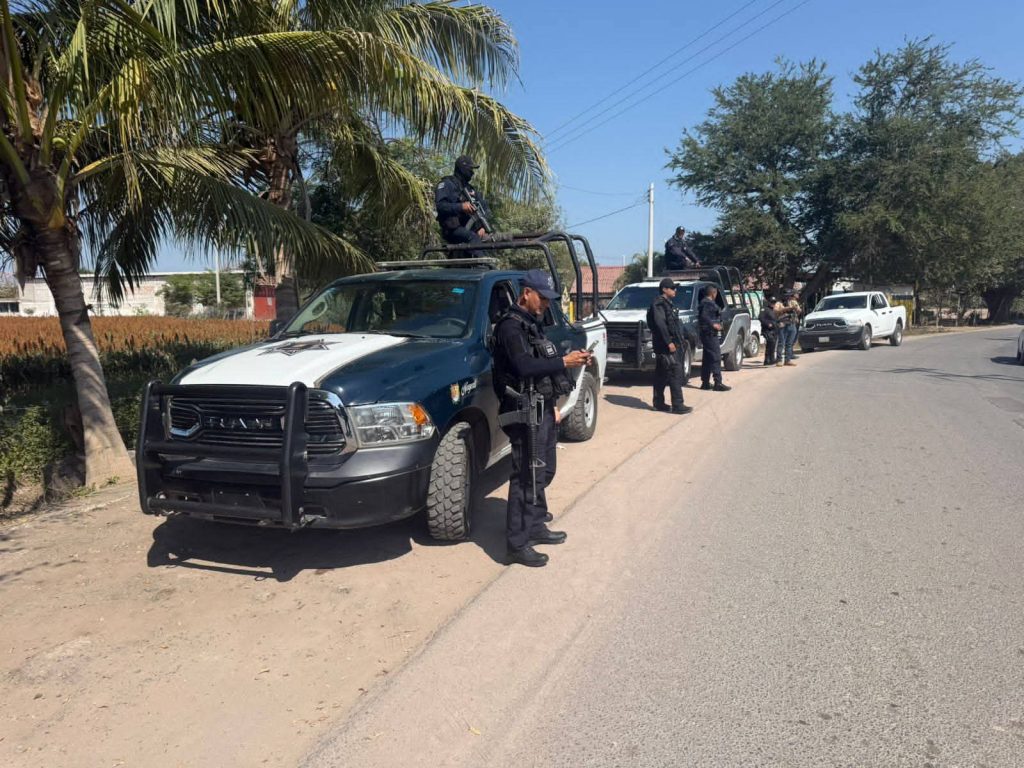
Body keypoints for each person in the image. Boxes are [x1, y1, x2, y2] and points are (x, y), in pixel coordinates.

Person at [492, 269, 592, 568]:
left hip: (542, 407)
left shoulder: (532, 324)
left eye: (550, 299)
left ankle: (535, 525)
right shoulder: (510, 327)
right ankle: (516, 544)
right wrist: (564, 361)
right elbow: (524, 366)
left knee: (544, 471)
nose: (547, 304)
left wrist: (553, 402)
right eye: (543, 298)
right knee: (526, 476)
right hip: (523, 411)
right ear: (526, 293)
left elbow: (542, 363)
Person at [647, 278, 693, 414]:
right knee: (675, 372)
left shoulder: (667, 304)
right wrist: (669, 342)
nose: (675, 290)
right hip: (665, 346)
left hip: (669, 344)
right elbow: (660, 325)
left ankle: (659, 403)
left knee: (661, 374)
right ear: (664, 289)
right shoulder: (659, 304)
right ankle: (678, 405)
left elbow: (673, 324)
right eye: (672, 288)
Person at [435, 156, 492, 253]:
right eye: (470, 169)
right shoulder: (447, 184)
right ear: (463, 168)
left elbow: (484, 208)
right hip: (453, 230)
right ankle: (480, 262)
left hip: (471, 230)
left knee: (491, 241)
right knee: (473, 238)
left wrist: (481, 227)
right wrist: (461, 207)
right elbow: (440, 206)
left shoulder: (471, 189)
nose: (472, 173)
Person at [698, 285, 731, 392]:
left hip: (708, 333)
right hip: (709, 334)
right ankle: (718, 383)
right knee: (716, 356)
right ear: (713, 293)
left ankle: (705, 382)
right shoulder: (707, 303)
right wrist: (713, 324)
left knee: (707, 358)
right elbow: (704, 316)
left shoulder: (705, 302)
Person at [775, 289, 801, 366]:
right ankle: (779, 360)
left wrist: (796, 309)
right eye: (787, 295)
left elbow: (799, 311)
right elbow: (775, 311)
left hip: (792, 324)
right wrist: (787, 308)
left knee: (789, 343)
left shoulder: (793, 302)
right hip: (783, 324)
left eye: (789, 295)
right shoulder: (779, 303)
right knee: (781, 343)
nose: (788, 297)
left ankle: (788, 360)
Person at [759, 290, 780, 366]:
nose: (773, 304)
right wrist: (768, 324)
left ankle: (769, 360)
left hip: (774, 330)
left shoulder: (774, 310)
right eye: (772, 302)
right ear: (769, 302)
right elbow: (761, 318)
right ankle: (769, 359)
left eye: (774, 302)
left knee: (772, 344)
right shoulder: (764, 309)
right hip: (767, 330)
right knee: (771, 343)